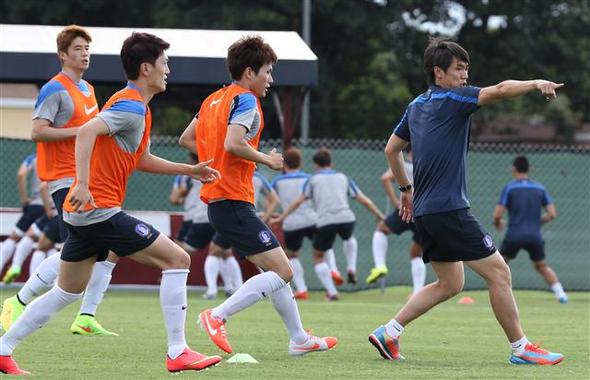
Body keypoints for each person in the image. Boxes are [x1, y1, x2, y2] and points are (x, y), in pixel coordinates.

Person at [0, 32, 223, 375]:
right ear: (147, 68)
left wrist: (189, 169)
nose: (169, 70)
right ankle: (178, 351)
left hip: (84, 215)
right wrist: (85, 185)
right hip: (98, 211)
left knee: (67, 293)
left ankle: (3, 348)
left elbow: (142, 158)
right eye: (165, 64)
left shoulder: (137, 108)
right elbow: (88, 131)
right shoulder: (131, 106)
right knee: (178, 259)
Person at [369, 37, 564, 365]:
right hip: (448, 209)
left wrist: (406, 190)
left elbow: (391, 150)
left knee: (450, 283)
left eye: (467, 69)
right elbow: (501, 90)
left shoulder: (416, 105)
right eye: (459, 69)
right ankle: (521, 348)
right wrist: (535, 83)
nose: (465, 75)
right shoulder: (454, 98)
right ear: (438, 72)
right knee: (500, 273)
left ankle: (389, 332)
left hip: (427, 212)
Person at [180, 35, 337, 356]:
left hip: (220, 202)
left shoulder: (212, 100)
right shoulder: (246, 99)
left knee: (274, 271)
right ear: (250, 72)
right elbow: (233, 144)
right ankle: (217, 315)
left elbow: (186, 139)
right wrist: (268, 159)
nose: (271, 79)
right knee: (283, 271)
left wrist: (217, 157)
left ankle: (299, 338)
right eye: (267, 71)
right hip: (233, 200)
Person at [0, 25, 118, 337]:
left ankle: (85, 316)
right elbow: (38, 131)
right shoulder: (54, 89)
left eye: (87, 48)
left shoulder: (88, 90)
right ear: (63, 55)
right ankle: (20, 299)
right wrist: (81, 132)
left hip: (87, 179)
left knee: (100, 249)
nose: (85, 54)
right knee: (84, 250)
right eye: (78, 49)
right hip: (64, 180)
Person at [272, 148, 385, 300]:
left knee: (312, 254)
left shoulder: (307, 180)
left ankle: (313, 290)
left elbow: (295, 201)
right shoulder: (342, 177)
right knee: (347, 238)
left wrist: (280, 217)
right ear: (332, 162)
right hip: (336, 218)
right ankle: (344, 268)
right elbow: (363, 199)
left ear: (315, 164)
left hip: (309, 222)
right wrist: (378, 214)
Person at [493, 155, 568, 303]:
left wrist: (498, 223)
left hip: (514, 235)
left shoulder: (510, 188)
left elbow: (497, 215)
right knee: (541, 265)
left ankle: (502, 294)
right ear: (530, 169)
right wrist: (536, 222)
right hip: (534, 236)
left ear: (513, 169)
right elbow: (552, 214)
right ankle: (561, 295)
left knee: (499, 265)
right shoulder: (540, 188)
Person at [366, 149, 426, 296]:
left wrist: (396, 202)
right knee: (416, 253)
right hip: (424, 212)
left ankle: (380, 266)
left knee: (382, 229)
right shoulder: (429, 165)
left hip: (406, 209)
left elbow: (385, 178)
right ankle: (418, 291)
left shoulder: (405, 165)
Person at [270, 147, 318, 300]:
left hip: (291, 223)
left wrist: (273, 216)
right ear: (300, 162)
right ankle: (332, 271)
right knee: (322, 249)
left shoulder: (278, 181)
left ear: (284, 164)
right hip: (312, 219)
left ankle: (302, 289)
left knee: (291, 255)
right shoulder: (309, 178)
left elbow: (271, 200)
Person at [0, 154, 45, 273]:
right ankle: (39, 281)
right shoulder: (63, 157)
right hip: (52, 208)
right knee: (46, 244)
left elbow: (21, 174)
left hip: (36, 204)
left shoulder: (35, 157)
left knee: (14, 237)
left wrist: (24, 198)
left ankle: (15, 266)